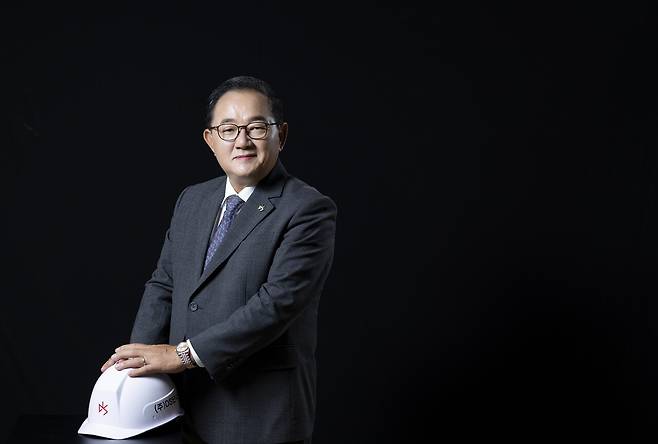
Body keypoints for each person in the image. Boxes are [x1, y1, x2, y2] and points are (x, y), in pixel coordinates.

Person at [101, 75, 337, 444]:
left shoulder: (307, 209)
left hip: (260, 416)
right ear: (210, 140)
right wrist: (135, 366)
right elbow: (165, 283)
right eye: (228, 129)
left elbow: (277, 304)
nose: (242, 141)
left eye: (256, 127)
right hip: (180, 408)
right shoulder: (192, 200)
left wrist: (181, 356)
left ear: (281, 135)